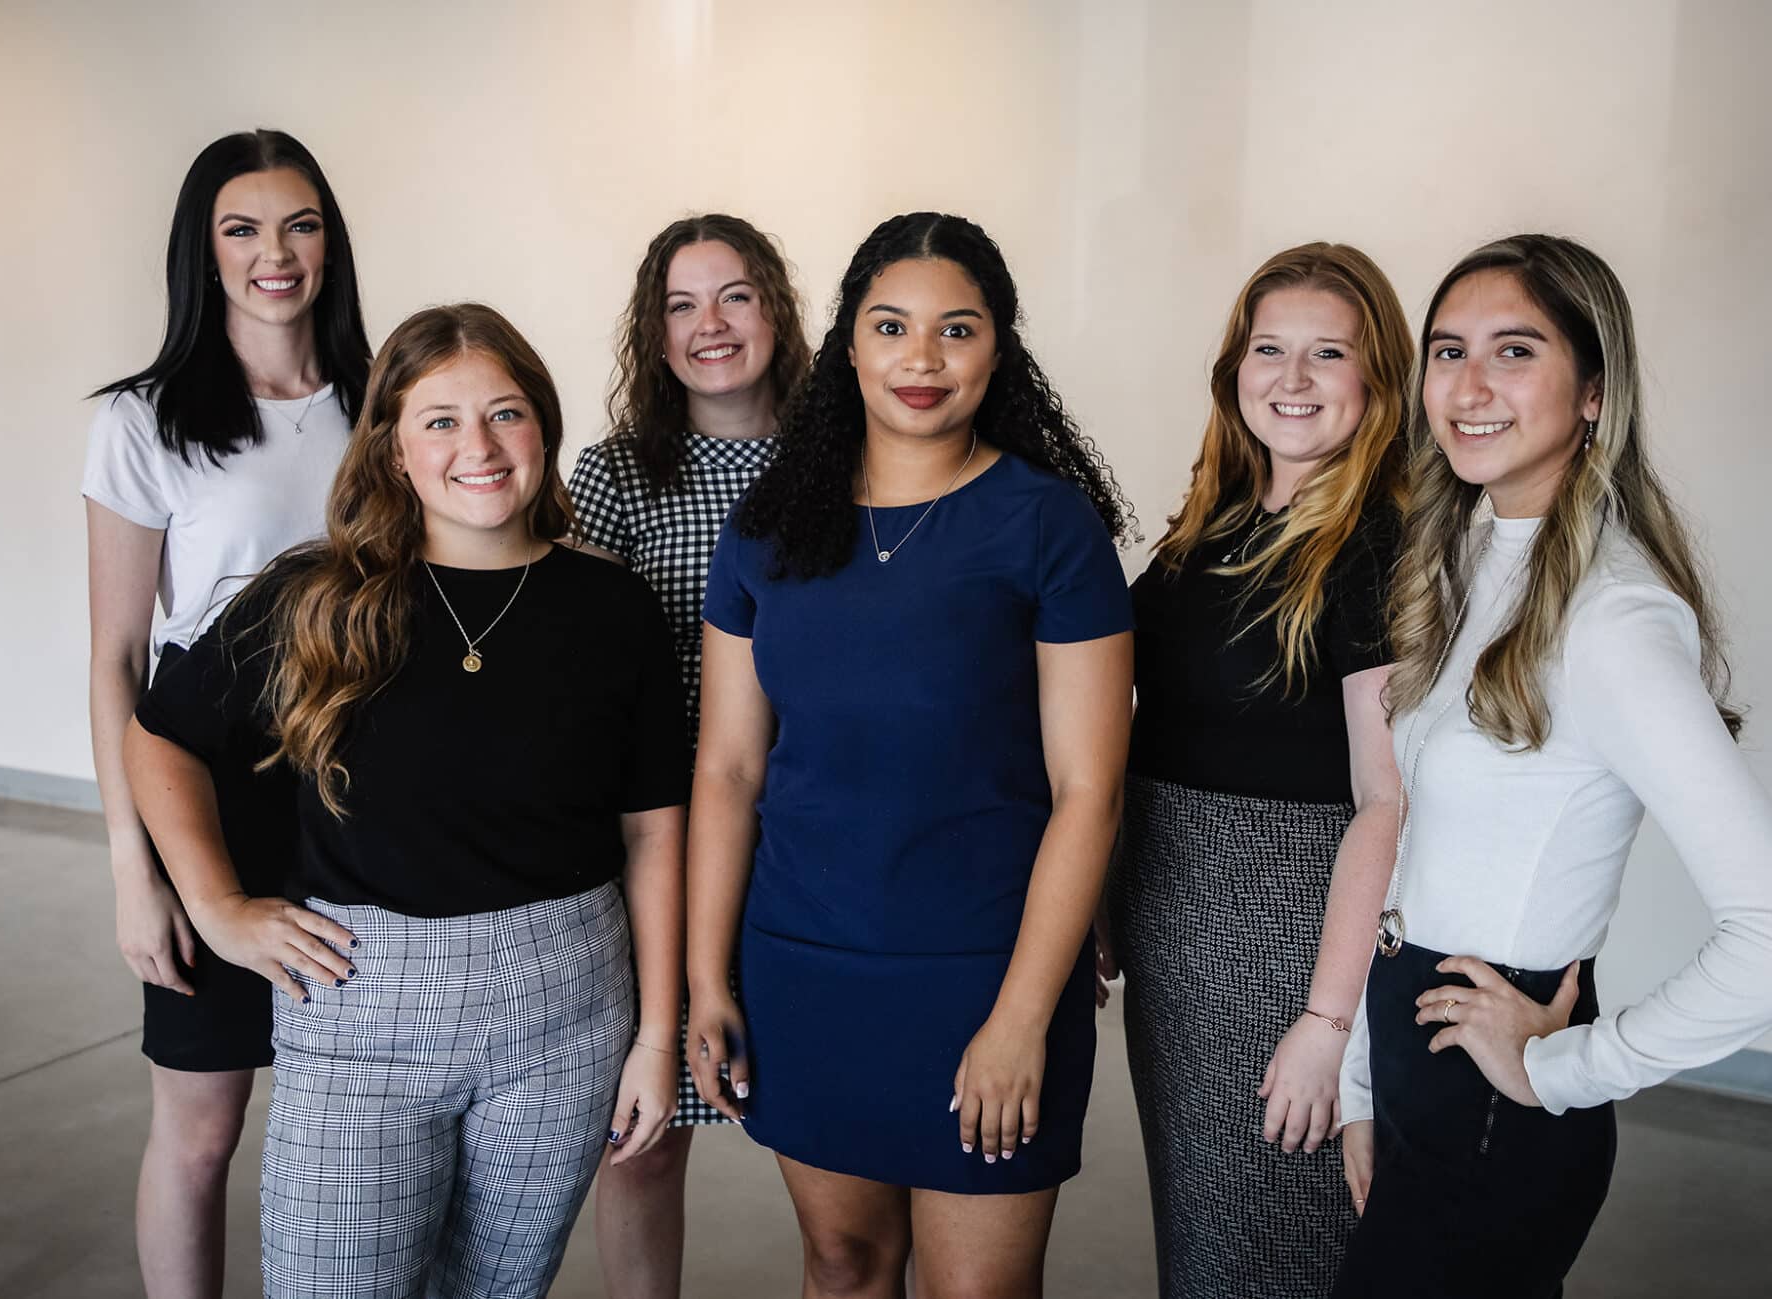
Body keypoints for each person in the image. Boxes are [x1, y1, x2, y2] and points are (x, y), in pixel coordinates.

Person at [123, 304, 689, 1299]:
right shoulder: (317, 599)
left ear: (543, 430)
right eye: (439, 421)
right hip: (359, 1008)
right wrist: (215, 906)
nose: (477, 446)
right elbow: (162, 734)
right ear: (390, 448)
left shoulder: (612, 608)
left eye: (506, 414)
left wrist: (654, 1037)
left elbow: (651, 831)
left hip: (565, 1009)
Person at [1333, 234, 1772, 1297]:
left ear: (1593, 394)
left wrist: (1568, 1067)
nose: (1466, 388)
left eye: (1513, 352)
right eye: (1446, 351)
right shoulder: (1466, 553)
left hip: (1495, 1098)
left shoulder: (1612, 619)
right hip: (1419, 1054)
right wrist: (1361, 1085)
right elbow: (1417, 837)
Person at [686, 211, 1136, 1299]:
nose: (920, 360)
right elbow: (728, 770)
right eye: (891, 327)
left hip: (986, 970)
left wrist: (1024, 1017)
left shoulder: (1047, 528)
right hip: (804, 962)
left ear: (999, 348)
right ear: (848, 343)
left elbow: (1089, 791)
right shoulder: (767, 526)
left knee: (974, 1291)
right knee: (841, 1266)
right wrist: (707, 977)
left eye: (956, 330)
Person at [81, 127, 369, 1299]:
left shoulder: (384, 401)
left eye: (299, 224)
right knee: (202, 1133)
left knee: (351, 1122)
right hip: (204, 794)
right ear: (203, 252)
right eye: (241, 230)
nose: (275, 254)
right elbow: (115, 656)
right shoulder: (139, 420)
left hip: (362, 788)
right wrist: (131, 868)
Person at [1107, 243, 1413, 1297]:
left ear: (1375, 381)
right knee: (1203, 1238)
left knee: (1268, 1250)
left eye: (1326, 354)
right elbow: (1159, 727)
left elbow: (1386, 799)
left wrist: (1328, 1025)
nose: (1290, 378)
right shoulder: (1213, 522)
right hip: (1176, 929)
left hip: (1282, 937)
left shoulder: (1373, 545)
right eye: (1267, 349)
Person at [567, 213, 811, 1299]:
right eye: (680, 303)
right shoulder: (617, 473)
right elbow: (574, 667)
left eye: (734, 296)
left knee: (825, 1124)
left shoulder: (841, 459)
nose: (708, 325)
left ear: (776, 310)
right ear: (652, 331)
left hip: (807, 814)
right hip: (662, 824)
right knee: (646, 1124)